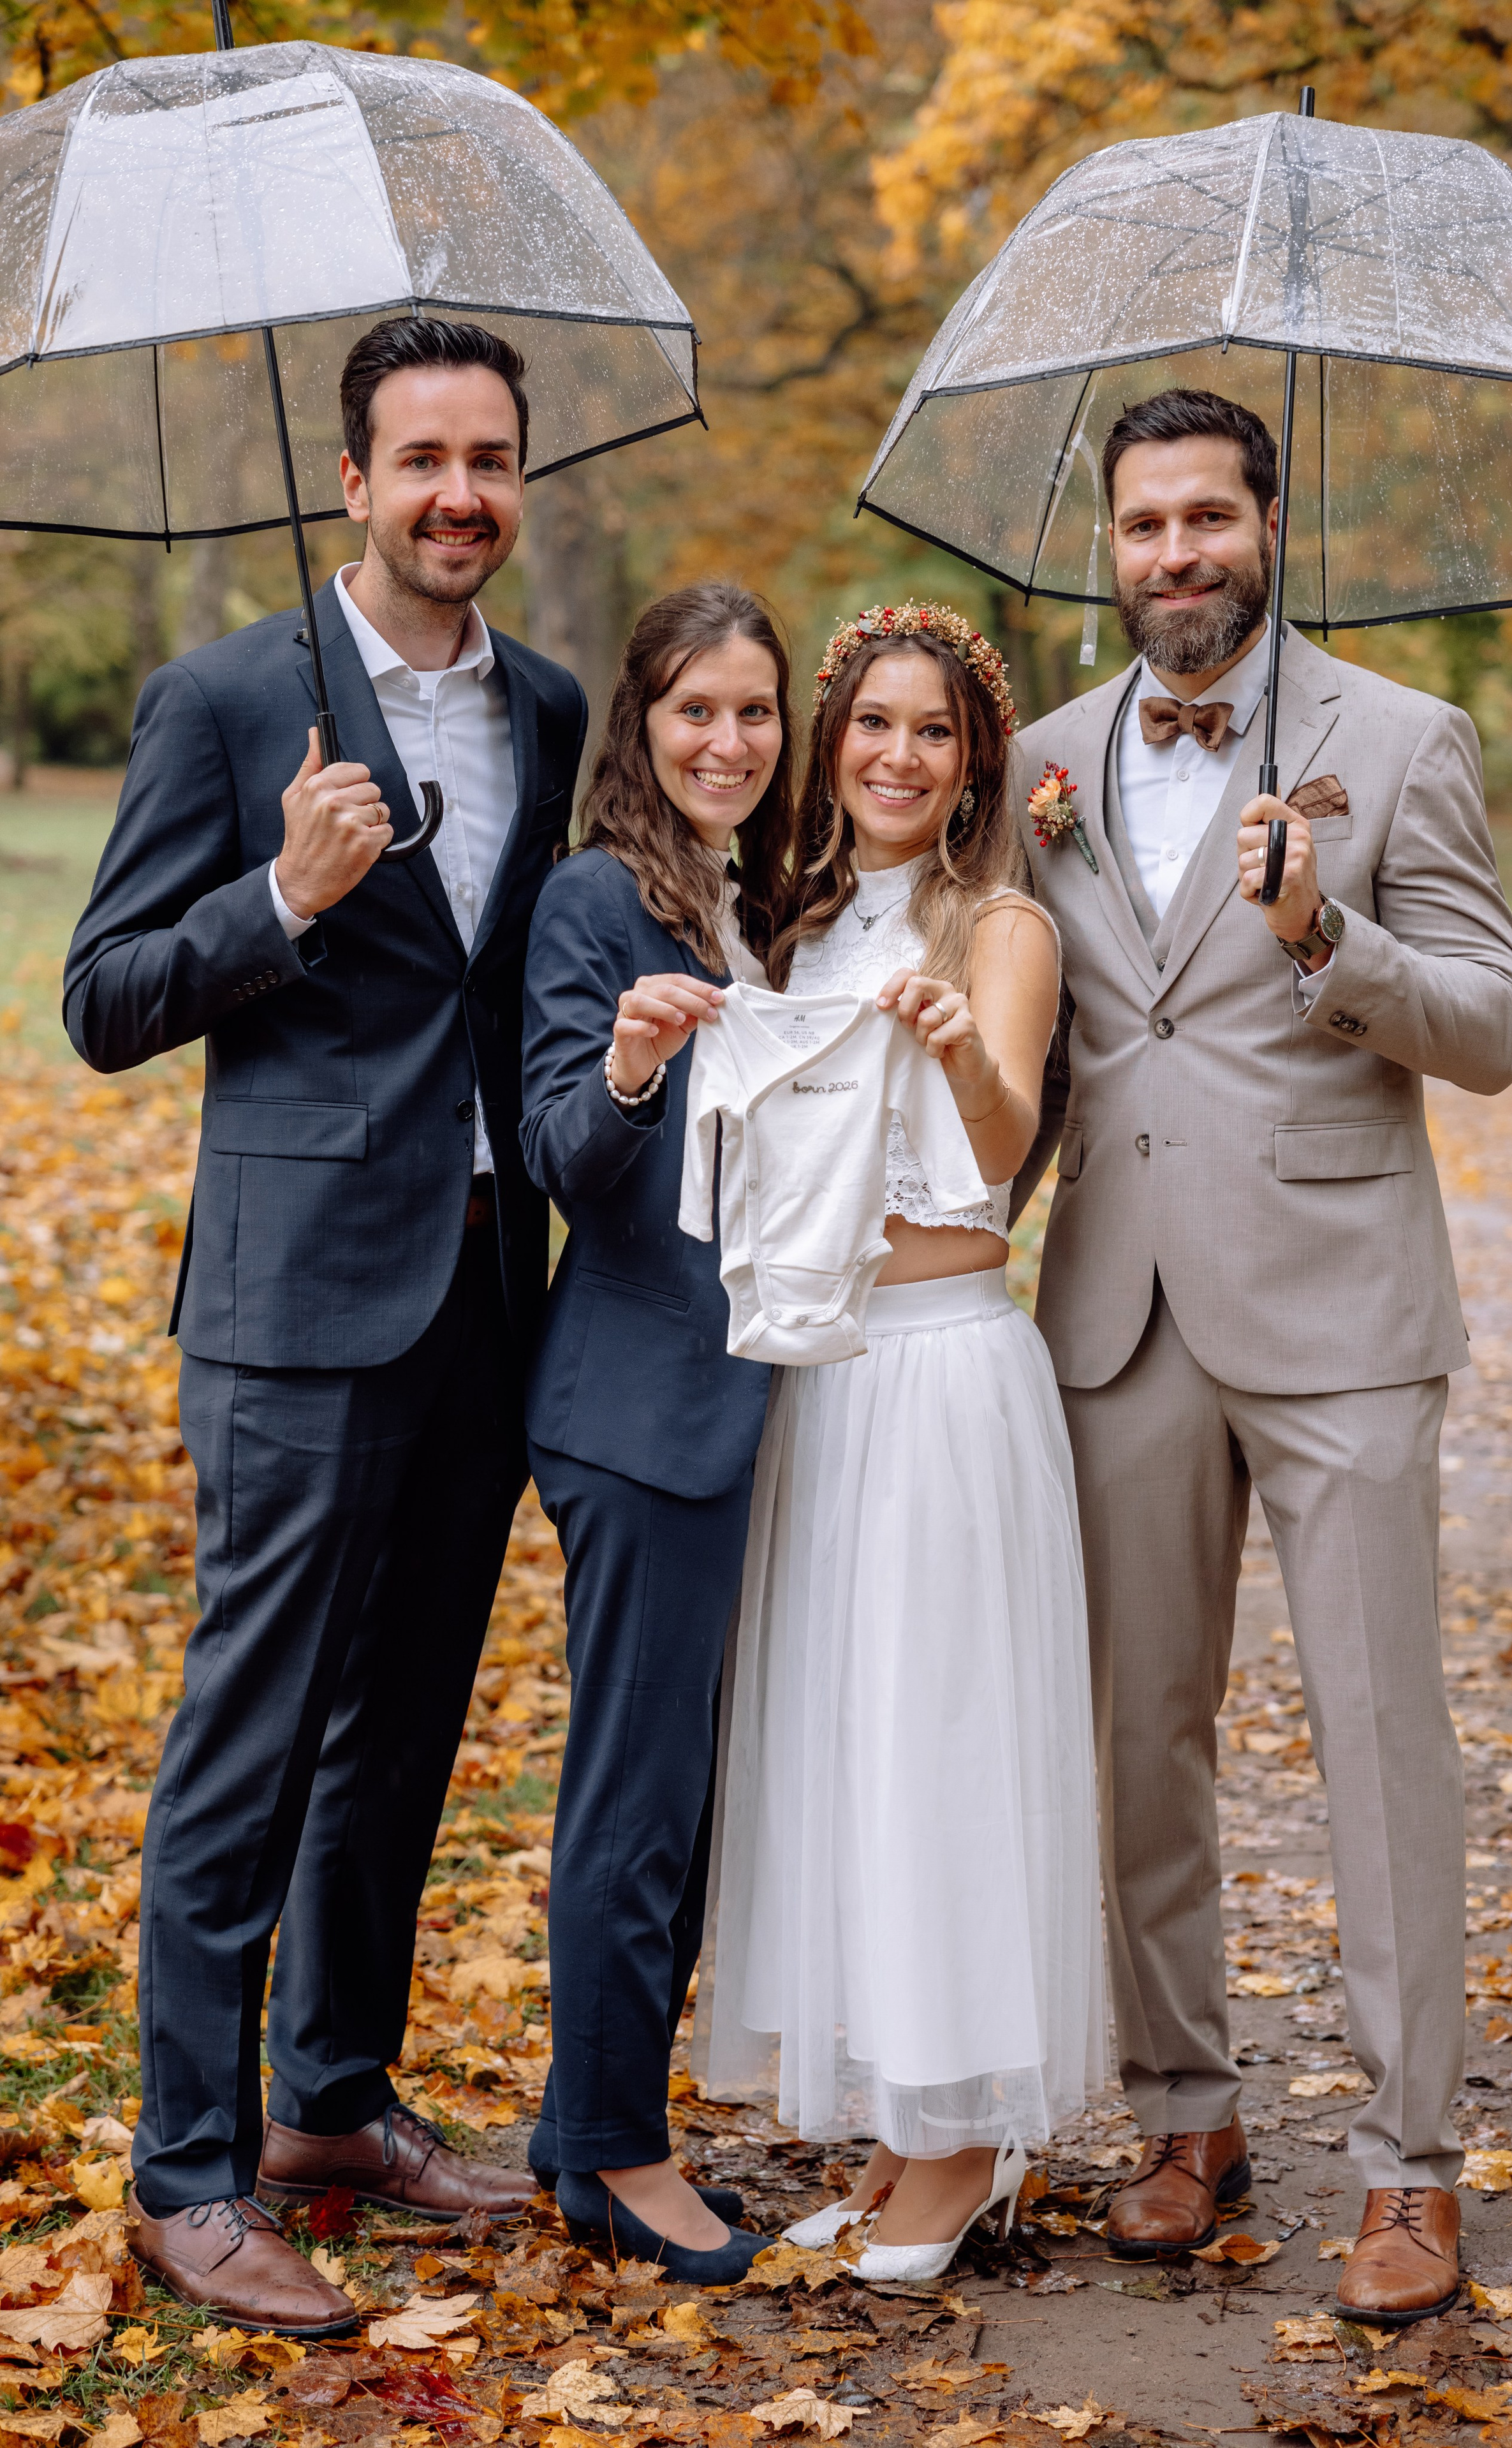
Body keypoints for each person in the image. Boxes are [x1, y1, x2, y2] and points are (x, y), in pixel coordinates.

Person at [62, 318, 586, 2333]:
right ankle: (188, 2175)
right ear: (352, 481)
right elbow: (107, 997)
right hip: (292, 1308)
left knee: (406, 1730)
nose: (461, 491)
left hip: (484, 1286)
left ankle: (334, 2108)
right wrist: (278, 898)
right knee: (251, 1737)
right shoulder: (223, 700)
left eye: (491, 458)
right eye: (422, 457)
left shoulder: (542, 705)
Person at [1011, 387, 1512, 2325]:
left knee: (1384, 1738)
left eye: (1207, 518)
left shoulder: (1402, 745)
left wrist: (1332, 941)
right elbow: (1044, 1042)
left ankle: (1411, 2169)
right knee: (1141, 1737)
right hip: (1116, 1310)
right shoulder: (1042, 764)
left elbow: (1488, 1026)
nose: (1175, 555)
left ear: (1269, 522)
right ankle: (1187, 2111)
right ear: (1114, 547)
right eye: (1144, 525)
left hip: (1339, 1312)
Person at [698, 601, 1108, 2283]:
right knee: (845, 1741)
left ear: (971, 762)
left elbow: (1005, 1144)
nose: (896, 754)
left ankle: (964, 2146)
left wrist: (958, 1050)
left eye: (932, 731)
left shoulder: (1000, 922)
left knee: (939, 1741)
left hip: (944, 1372)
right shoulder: (786, 923)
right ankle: (895, 2123)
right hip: (825, 1371)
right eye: (872, 722)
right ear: (831, 738)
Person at [518, 582, 799, 2285]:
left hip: (761, 1398)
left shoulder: (773, 906)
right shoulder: (595, 903)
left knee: (691, 1799)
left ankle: (586, 2125)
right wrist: (627, 1068)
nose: (727, 740)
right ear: (644, 721)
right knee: (637, 1798)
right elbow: (564, 1153)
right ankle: (617, 2147)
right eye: (696, 709)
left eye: (756, 711)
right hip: (636, 1407)